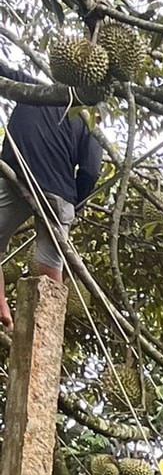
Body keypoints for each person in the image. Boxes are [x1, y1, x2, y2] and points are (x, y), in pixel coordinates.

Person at [0, 97, 104, 330]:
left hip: (14, 176)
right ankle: (48, 330)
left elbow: (6, 73)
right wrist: (77, 203)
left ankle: (2, 307)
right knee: (49, 265)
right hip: (56, 193)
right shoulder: (89, 120)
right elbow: (91, 170)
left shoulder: (35, 90)